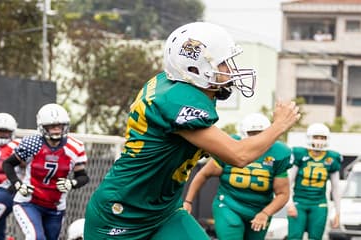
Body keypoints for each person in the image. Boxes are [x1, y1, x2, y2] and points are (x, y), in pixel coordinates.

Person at [84, 21, 300, 240]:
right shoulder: (178, 101)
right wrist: (279, 125)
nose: (230, 70)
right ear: (195, 69)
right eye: (223, 63)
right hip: (122, 214)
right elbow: (238, 155)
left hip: (163, 211)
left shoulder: (178, 87)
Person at [183, 113, 292, 240]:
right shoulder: (231, 146)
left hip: (259, 209)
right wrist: (188, 201)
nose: (257, 137)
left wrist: (266, 213)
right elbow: (203, 174)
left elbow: (283, 193)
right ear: (243, 133)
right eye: (252, 132)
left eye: (261, 132)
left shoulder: (279, 153)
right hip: (229, 205)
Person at [2, 103, 90, 240]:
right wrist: (18, 184)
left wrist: (72, 182)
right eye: (51, 126)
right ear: (42, 127)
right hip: (29, 201)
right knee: (36, 237)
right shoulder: (33, 143)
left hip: (55, 207)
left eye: (59, 126)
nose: (56, 130)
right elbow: (8, 164)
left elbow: (83, 177)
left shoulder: (75, 147)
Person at [287, 123, 342, 240]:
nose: (319, 140)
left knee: (316, 238)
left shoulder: (332, 157)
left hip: (319, 203)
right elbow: (289, 182)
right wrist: (290, 203)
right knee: (294, 237)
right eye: (316, 137)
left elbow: (336, 188)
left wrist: (338, 212)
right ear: (309, 137)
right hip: (299, 202)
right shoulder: (300, 154)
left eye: (322, 138)